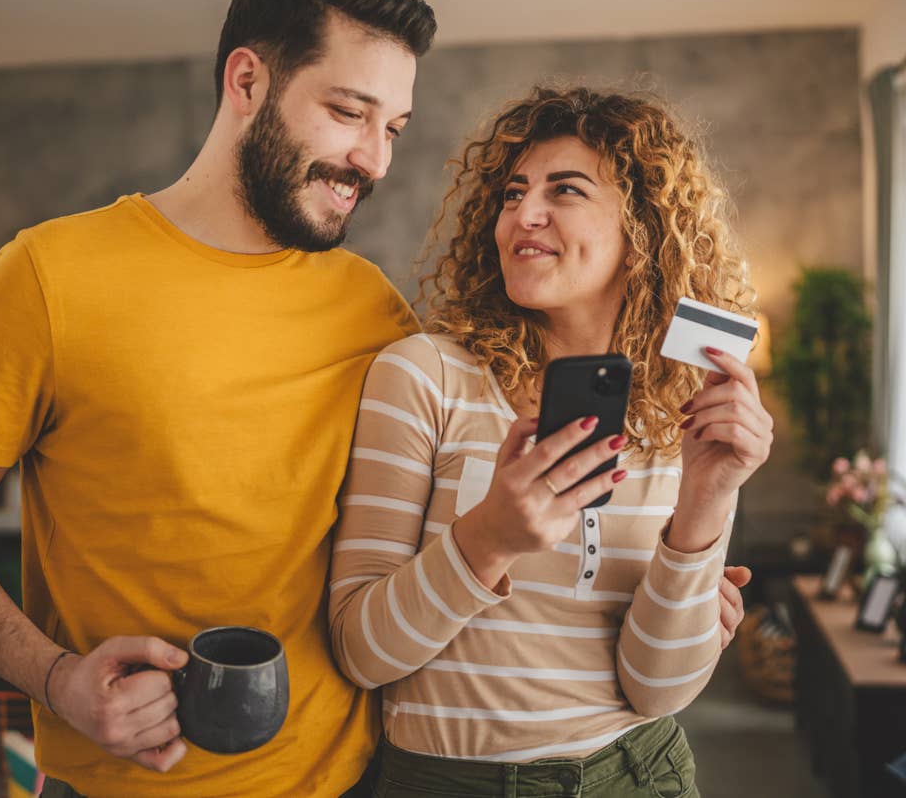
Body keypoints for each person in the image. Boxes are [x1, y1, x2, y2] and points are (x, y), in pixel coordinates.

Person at [0, 0, 436, 797]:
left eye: (393, 129)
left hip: (351, 780)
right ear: (248, 81)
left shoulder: (372, 309)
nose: (375, 160)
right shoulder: (48, 277)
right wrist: (56, 677)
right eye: (348, 112)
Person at [329, 86, 770, 796]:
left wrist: (707, 500)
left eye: (564, 191)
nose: (522, 215)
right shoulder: (424, 377)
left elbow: (658, 689)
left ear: (643, 231)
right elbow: (361, 651)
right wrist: (489, 538)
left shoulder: (681, 411)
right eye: (511, 193)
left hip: (637, 774)